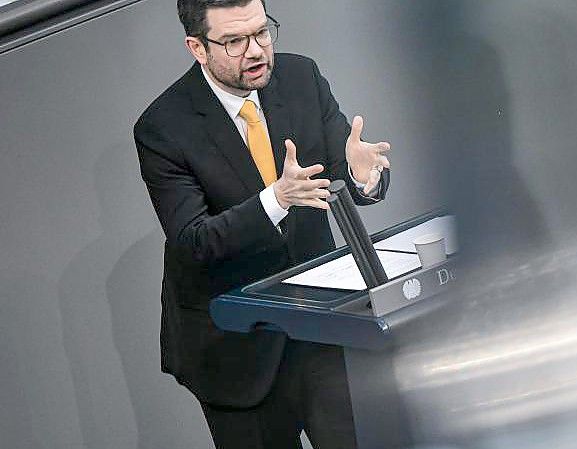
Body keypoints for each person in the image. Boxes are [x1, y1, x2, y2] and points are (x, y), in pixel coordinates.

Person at [133, 0, 391, 447]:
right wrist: (275, 200)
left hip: (319, 321)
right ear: (197, 47)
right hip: (234, 346)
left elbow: (342, 163)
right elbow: (195, 240)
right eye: (234, 41)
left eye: (262, 32)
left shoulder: (301, 77)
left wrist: (362, 177)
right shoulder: (163, 127)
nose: (255, 51)